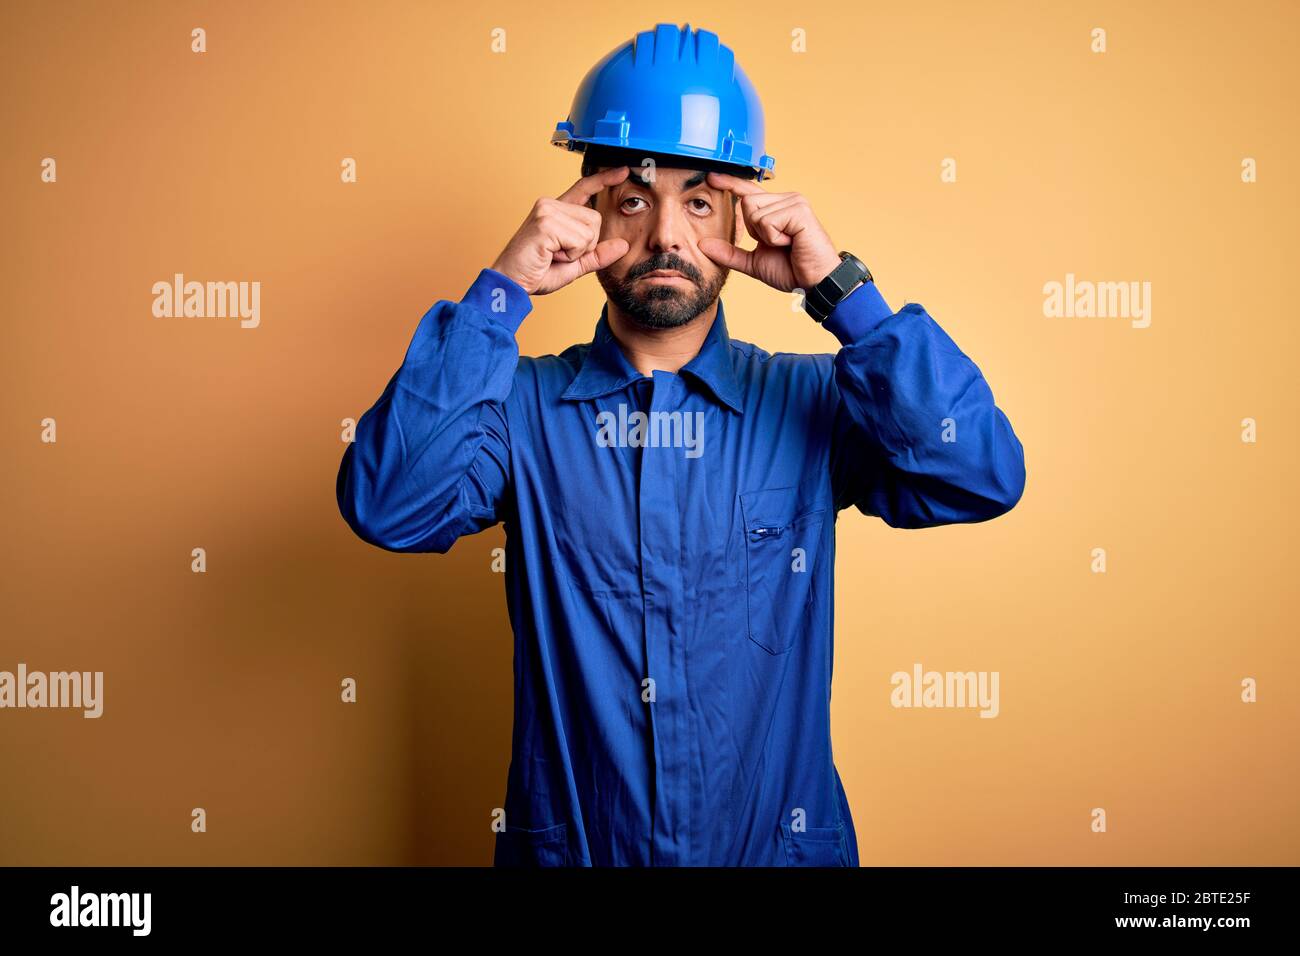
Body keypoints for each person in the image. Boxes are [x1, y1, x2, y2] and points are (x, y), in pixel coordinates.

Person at [336, 23, 1026, 866]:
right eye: (636, 198)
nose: (667, 236)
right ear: (587, 212)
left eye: (699, 202)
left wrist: (843, 295)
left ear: (743, 213)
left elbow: (981, 473)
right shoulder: (519, 407)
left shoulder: (816, 400)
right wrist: (501, 293)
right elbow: (388, 503)